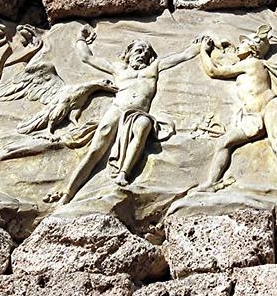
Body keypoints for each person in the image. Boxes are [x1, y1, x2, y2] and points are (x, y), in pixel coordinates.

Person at [45, 26, 200, 204]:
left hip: (139, 112)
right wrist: (80, 38)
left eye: (147, 53)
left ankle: (123, 174)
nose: (142, 55)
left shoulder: (153, 69)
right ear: (128, 54)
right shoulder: (119, 69)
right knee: (96, 149)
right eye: (138, 51)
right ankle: (68, 193)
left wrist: (199, 45)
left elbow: (182, 56)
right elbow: (87, 58)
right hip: (117, 109)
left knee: (143, 126)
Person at [196, 25, 277, 204]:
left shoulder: (252, 63)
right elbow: (223, 61)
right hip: (253, 116)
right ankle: (211, 183)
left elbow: (214, 71)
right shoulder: (246, 64)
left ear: (252, 50)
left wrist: (203, 51)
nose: (238, 47)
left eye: (243, 44)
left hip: (272, 108)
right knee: (224, 142)